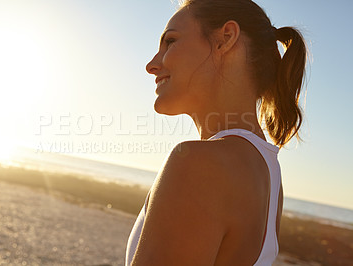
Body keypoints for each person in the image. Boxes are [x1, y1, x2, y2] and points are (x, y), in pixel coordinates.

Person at [126, 0, 307, 265]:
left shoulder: (199, 164)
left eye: (171, 41)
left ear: (226, 39)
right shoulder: (269, 174)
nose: (152, 64)